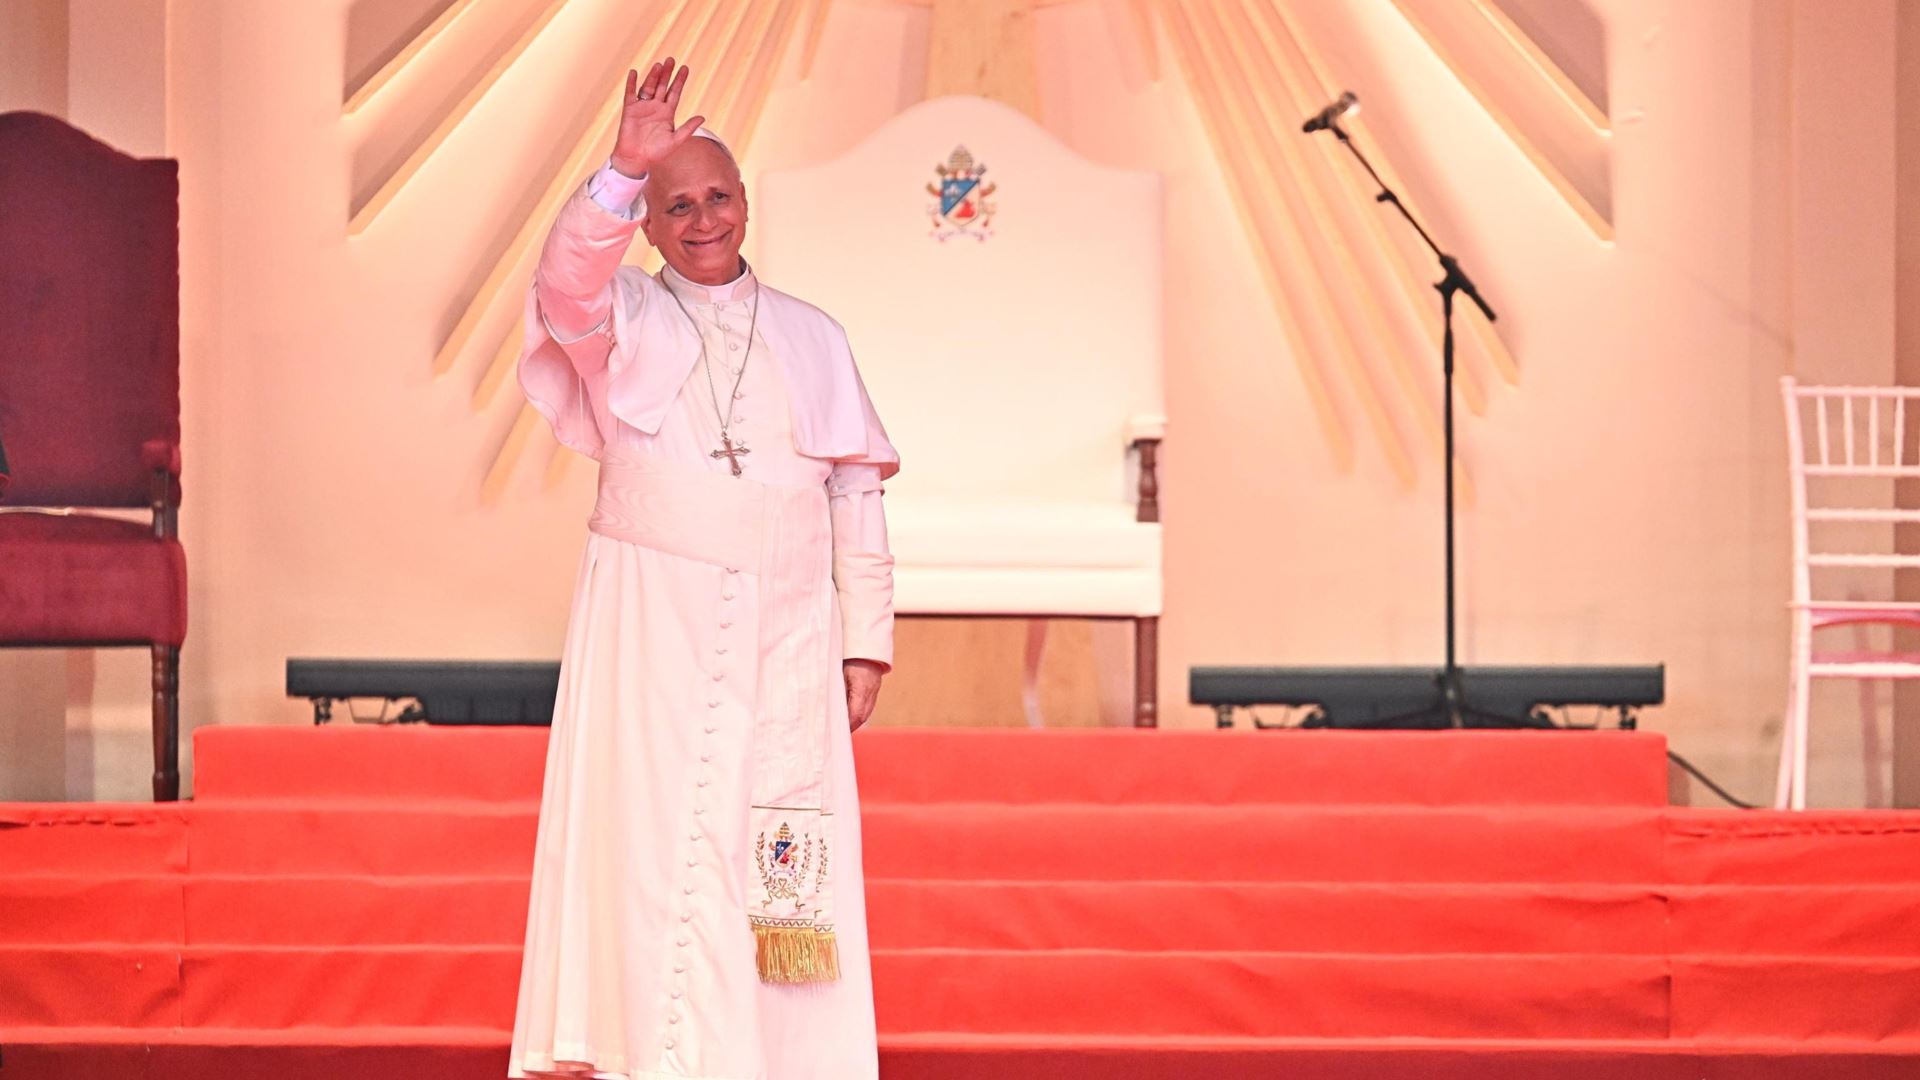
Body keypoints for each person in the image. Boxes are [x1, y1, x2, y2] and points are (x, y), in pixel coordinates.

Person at [508, 58, 897, 1080]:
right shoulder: (623, 317)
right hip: (656, 630)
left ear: (746, 203)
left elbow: (856, 493)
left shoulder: (815, 337)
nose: (701, 217)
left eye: (717, 195)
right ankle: (652, 1053)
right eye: (674, 203)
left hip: (787, 634)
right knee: (653, 843)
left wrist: (867, 644)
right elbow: (563, 285)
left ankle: (785, 1060)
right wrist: (619, 169)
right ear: (648, 222)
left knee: (774, 854)